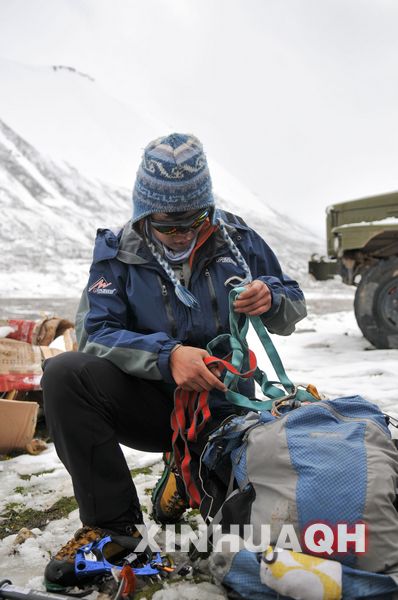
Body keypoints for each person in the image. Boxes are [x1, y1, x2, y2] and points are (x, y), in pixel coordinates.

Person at [41, 133, 307, 587]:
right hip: (149, 406)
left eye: (194, 221)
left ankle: (187, 476)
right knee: (65, 374)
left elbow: (292, 303)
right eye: (168, 226)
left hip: (224, 413)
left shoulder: (238, 240)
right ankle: (115, 530)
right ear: (145, 214)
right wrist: (168, 357)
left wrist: (272, 299)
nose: (182, 235)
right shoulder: (117, 253)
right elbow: (95, 334)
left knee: (242, 536)